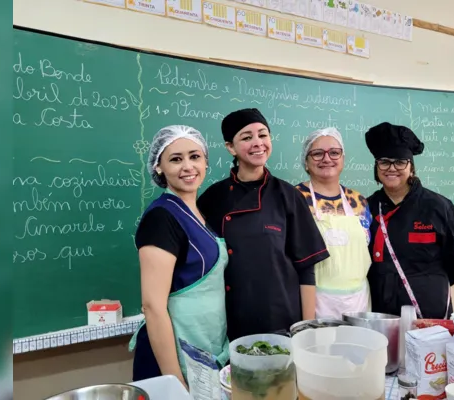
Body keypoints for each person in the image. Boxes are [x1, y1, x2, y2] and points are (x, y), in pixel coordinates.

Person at [198, 108, 330, 340]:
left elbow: (306, 269)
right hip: (227, 316)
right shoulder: (212, 198)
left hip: (280, 317)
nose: (258, 143)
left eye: (263, 135)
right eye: (247, 138)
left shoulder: (288, 195)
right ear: (231, 147)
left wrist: (305, 329)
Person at [130, 125, 229, 388]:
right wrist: (174, 381)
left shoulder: (199, 214)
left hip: (202, 347)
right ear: (159, 167)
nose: (188, 166)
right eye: (176, 159)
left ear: (206, 161)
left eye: (195, 156)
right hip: (174, 359)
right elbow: (153, 307)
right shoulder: (161, 218)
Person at [364, 122, 454, 319]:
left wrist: (430, 282)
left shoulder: (438, 206)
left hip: (428, 306)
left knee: (430, 351)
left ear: (411, 167)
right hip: (380, 308)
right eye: (384, 162)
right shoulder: (367, 207)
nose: (391, 168)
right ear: (376, 167)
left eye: (400, 162)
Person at [294, 127, 373, 319]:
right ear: (306, 161)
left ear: (343, 159)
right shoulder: (294, 198)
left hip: (359, 301)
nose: (327, 159)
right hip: (313, 301)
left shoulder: (359, 201)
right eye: (317, 154)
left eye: (334, 153)